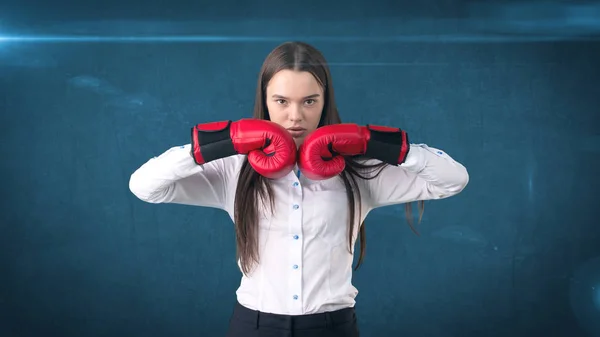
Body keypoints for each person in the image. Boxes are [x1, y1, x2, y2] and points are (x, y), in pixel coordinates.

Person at [129, 41, 469, 337]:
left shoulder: (358, 170)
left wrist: (375, 143)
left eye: (309, 101)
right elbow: (145, 186)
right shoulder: (235, 170)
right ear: (265, 100)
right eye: (281, 101)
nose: (295, 116)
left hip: (333, 328)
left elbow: (453, 180)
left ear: (325, 101)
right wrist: (222, 140)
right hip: (254, 327)